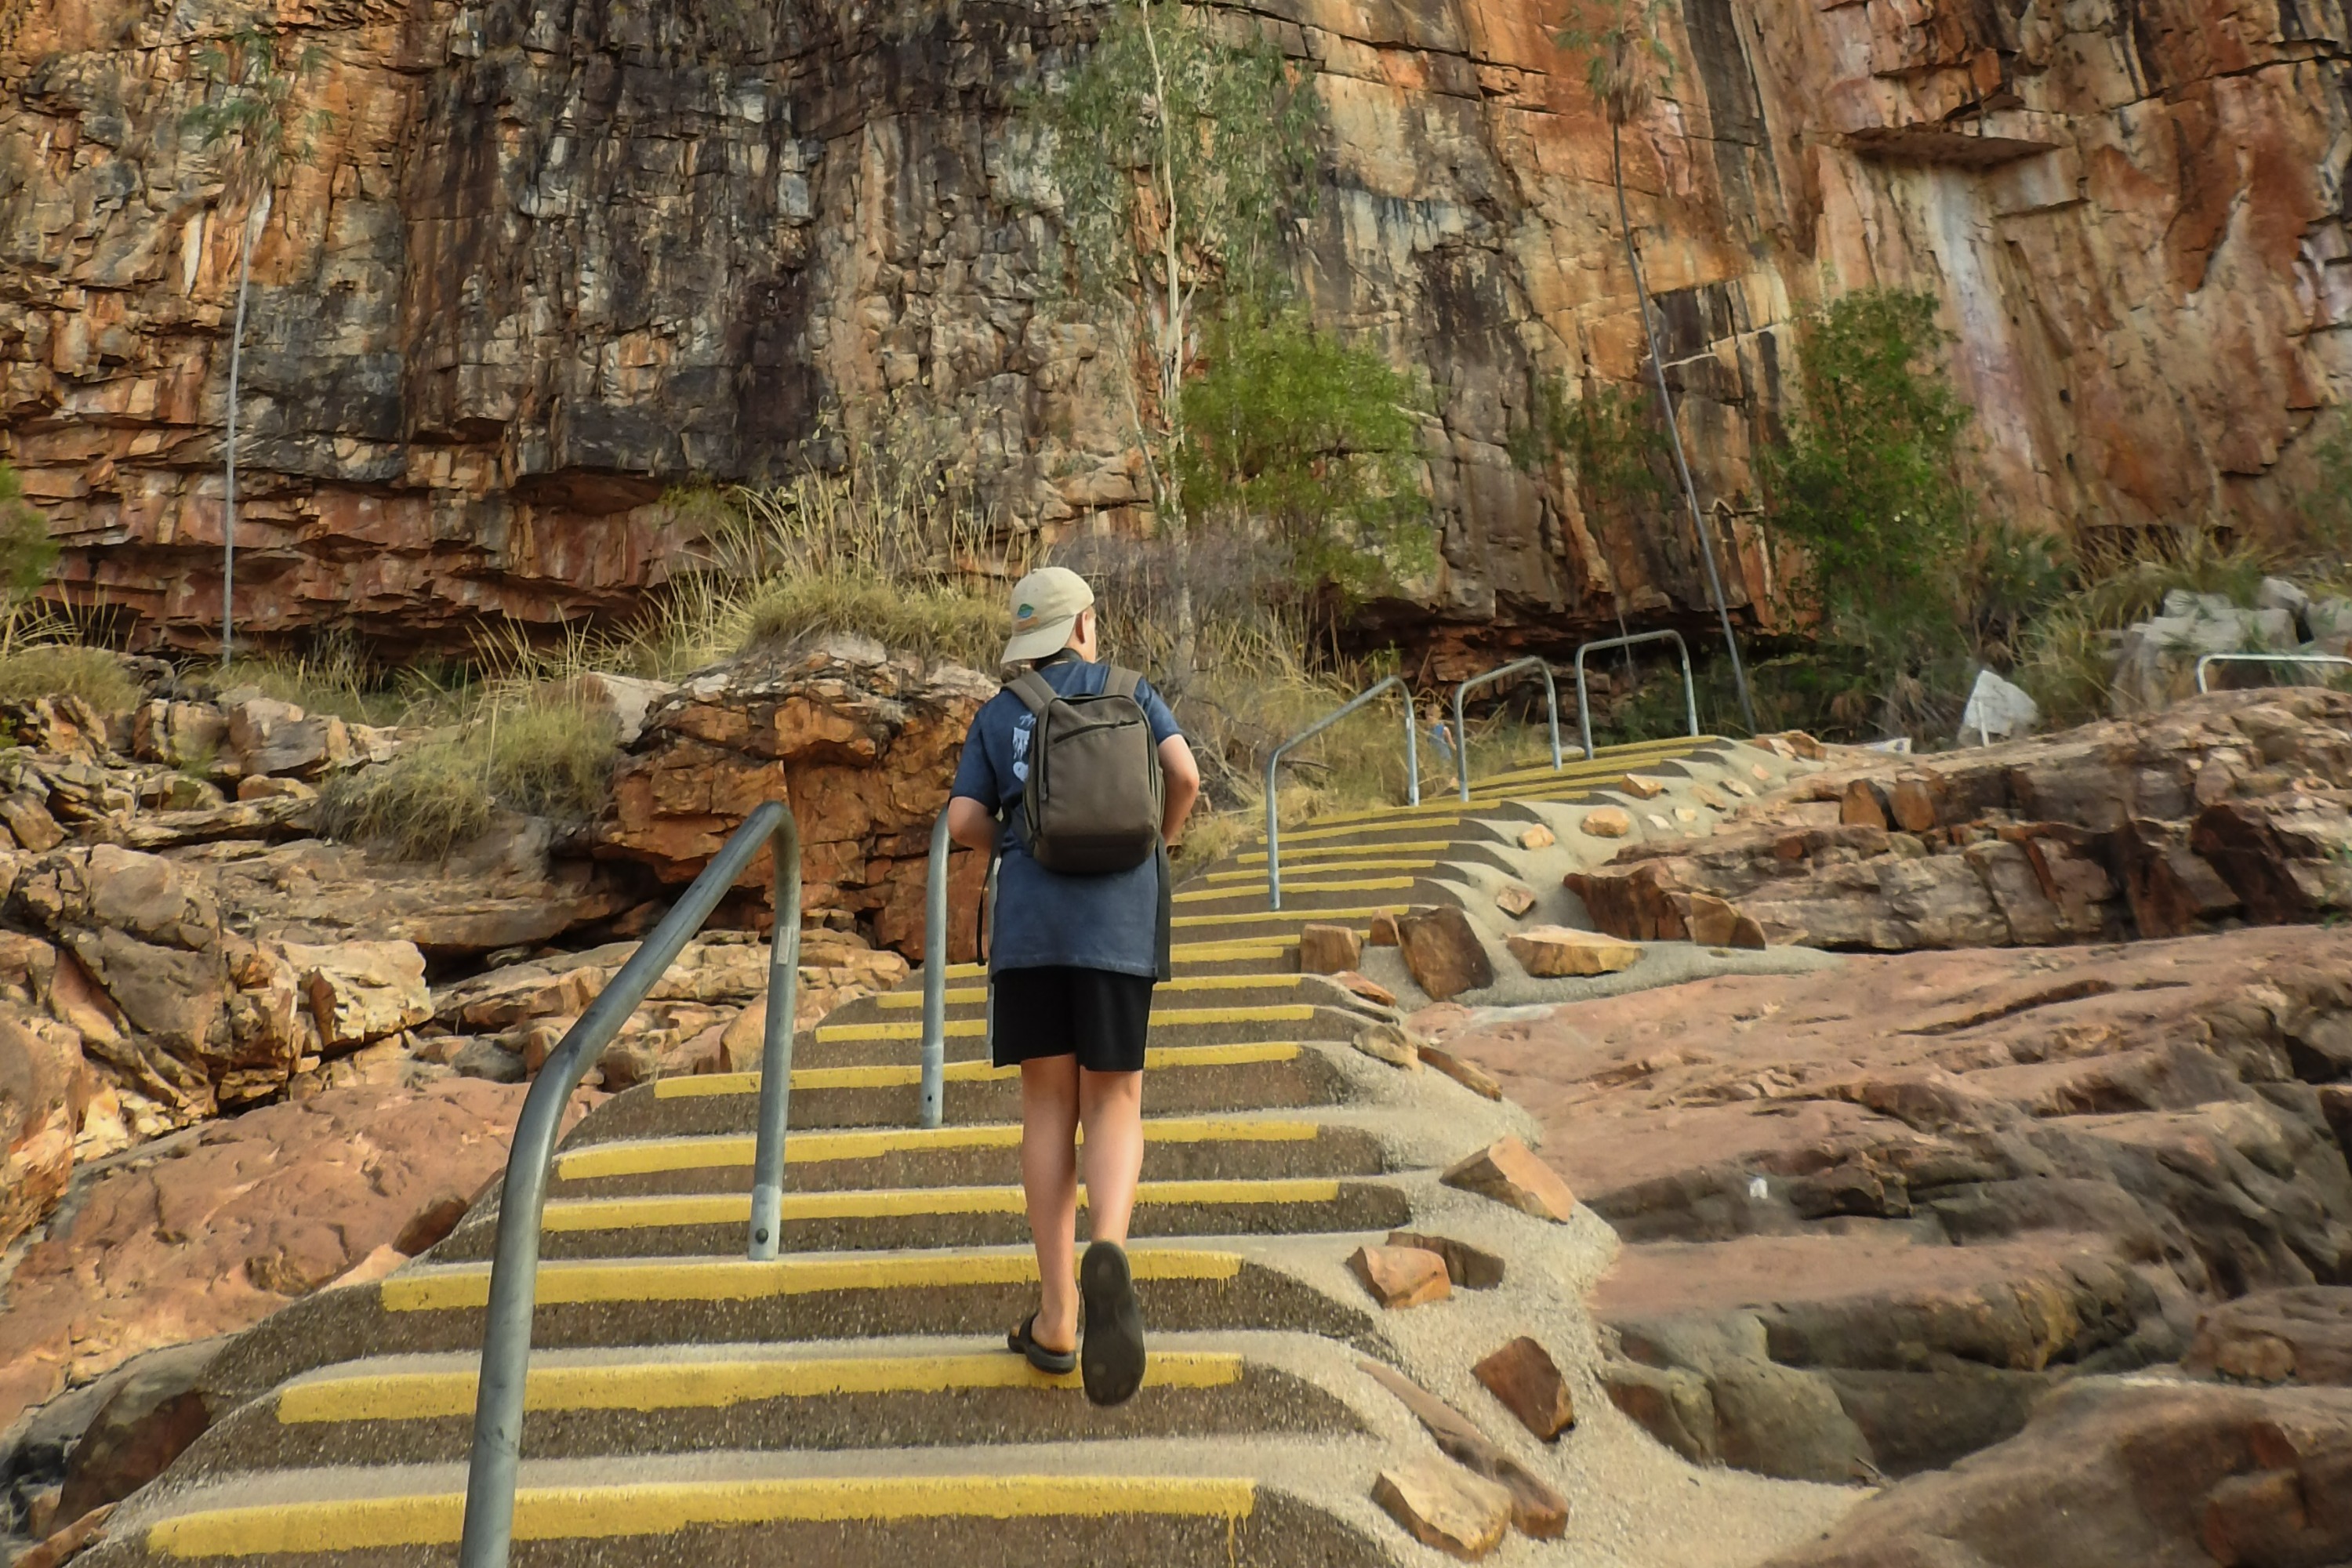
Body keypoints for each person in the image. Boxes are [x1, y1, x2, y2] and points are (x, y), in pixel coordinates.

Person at [946, 565, 1201, 1406]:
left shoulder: (1000, 711)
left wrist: (1019, 834)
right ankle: (1112, 1248)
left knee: (1049, 1104)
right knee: (1117, 1097)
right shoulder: (1133, 690)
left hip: (1032, 928)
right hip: (1120, 924)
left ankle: (1058, 1318)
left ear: (1030, 638)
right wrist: (1155, 846)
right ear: (1086, 623)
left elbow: (961, 822)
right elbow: (1186, 775)